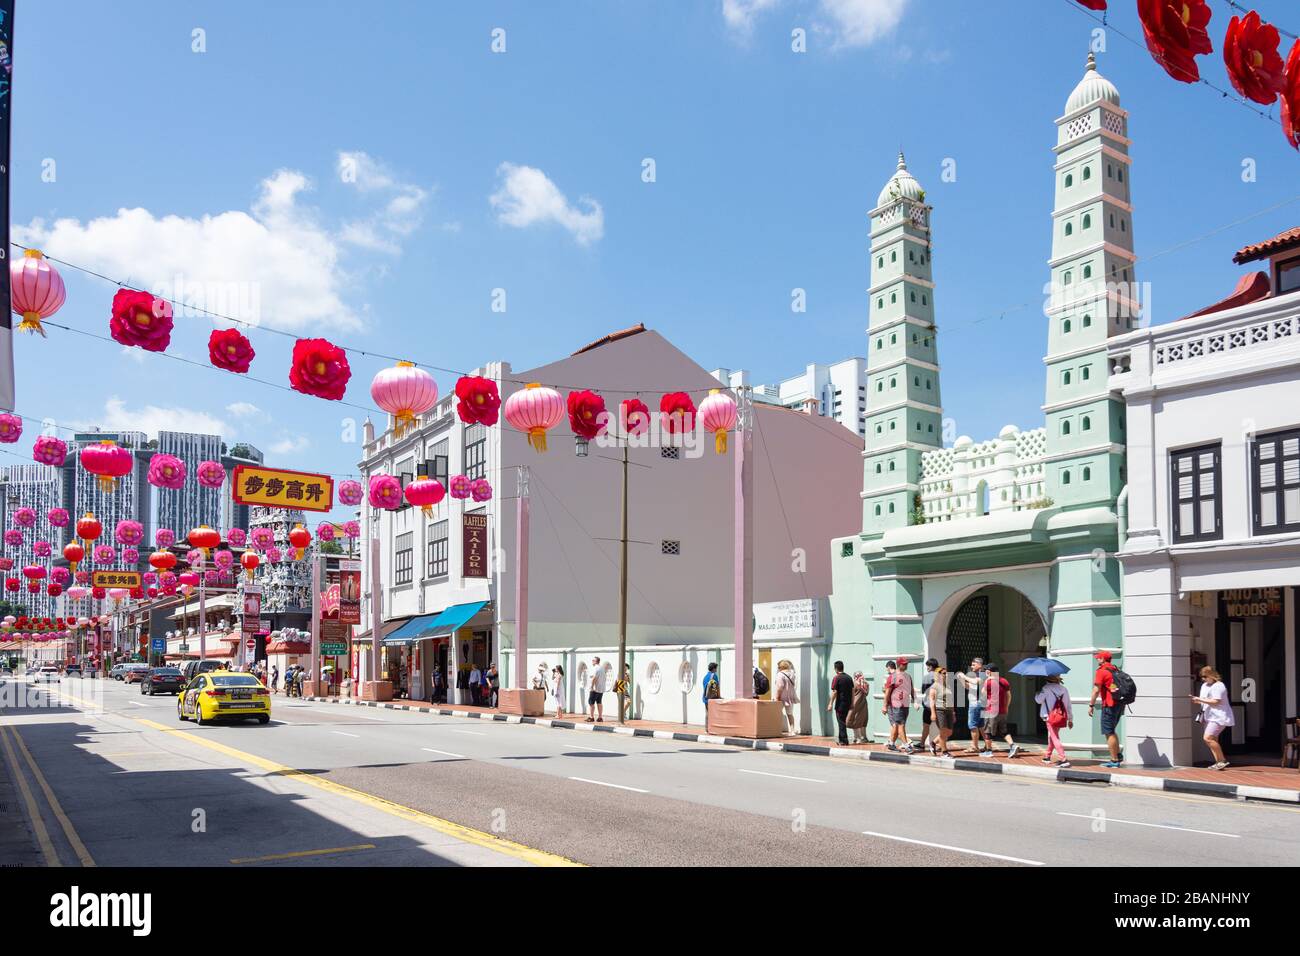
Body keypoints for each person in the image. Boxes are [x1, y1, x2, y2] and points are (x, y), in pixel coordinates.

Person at [1190, 666, 1233, 771]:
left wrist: (1200, 700)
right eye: (1202, 677)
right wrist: (1198, 700)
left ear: (1211, 675)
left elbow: (1216, 701)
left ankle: (1222, 760)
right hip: (1209, 716)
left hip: (1219, 716)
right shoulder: (1204, 686)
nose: (1203, 679)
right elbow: (1205, 699)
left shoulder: (1219, 686)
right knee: (1213, 739)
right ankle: (1218, 762)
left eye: (1205, 676)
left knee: (1207, 738)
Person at [1088, 650, 1123, 768]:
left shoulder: (1102, 671)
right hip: (1118, 704)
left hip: (1109, 705)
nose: (1097, 659)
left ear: (1103, 659)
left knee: (1109, 732)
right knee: (1112, 730)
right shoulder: (1115, 669)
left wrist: (1091, 705)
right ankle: (1117, 755)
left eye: (1098, 658)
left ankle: (1114, 760)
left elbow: (1096, 690)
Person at [981, 665, 1019, 758]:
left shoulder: (988, 682)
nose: (985, 672)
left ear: (990, 671)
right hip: (1002, 710)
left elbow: (983, 695)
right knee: (1003, 730)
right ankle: (1013, 745)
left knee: (987, 731)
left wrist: (985, 682)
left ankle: (989, 751)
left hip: (990, 710)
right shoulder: (1004, 681)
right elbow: (1009, 696)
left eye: (986, 670)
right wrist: (1006, 707)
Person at [1035, 673, 1073, 767]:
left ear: (1047, 680)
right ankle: (1047, 756)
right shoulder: (1064, 689)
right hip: (1060, 717)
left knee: (1054, 737)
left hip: (1049, 717)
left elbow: (1038, 700)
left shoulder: (1046, 688)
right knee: (1052, 736)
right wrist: (1070, 719)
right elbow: (1068, 705)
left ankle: (1063, 758)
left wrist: (1037, 694)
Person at [883, 657, 914, 753]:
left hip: (905, 704)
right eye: (904, 664)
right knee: (901, 725)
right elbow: (887, 692)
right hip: (896, 704)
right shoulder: (893, 677)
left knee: (896, 725)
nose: (906, 665)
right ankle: (906, 745)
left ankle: (891, 744)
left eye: (906, 663)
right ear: (899, 664)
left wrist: (915, 699)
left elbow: (911, 689)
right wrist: (884, 705)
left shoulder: (908, 676)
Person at [960, 657, 989, 755]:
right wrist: (962, 679)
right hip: (977, 703)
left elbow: (977, 682)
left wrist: (964, 676)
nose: (971, 666)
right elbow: (968, 686)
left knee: (973, 725)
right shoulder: (975, 675)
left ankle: (974, 747)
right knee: (981, 726)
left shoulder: (983, 674)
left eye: (973, 664)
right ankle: (987, 745)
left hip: (976, 704)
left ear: (979, 665)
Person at [928, 665, 956, 755]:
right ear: (938, 675)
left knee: (949, 732)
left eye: (946, 673)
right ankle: (944, 752)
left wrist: (953, 712)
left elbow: (951, 699)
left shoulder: (947, 685)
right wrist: (933, 713)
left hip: (949, 711)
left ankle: (933, 743)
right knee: (943, 732)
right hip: (940, 710)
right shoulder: (935, 686)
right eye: (944, 673)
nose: (946, 675)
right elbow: (931, 700)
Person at [827, 661, 854, 745]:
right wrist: (852, 703)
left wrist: (830, 703)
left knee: (841, 722)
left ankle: (844, 741)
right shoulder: (849, 678)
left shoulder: (836, 678)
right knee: (842, 721)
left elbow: (835, 692)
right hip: (848, 703)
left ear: (835, 669)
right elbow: (853, 691)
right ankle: (841, 739)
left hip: (840, 704)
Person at [774, 659, 799, 736]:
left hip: (781, 697)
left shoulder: (780, 674)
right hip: (790, 697)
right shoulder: (792, 674)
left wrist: (777, 697)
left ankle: (777, 730)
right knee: (790, 714)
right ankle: (792, 731)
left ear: (781, 667)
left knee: (777, 713)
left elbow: (780, 687)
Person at [919, 658, 939, 754]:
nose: (926, 668)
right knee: (943, 727)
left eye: (927, 666)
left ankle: (922, 743)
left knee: (926, 725)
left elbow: (922, 690)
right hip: (939, 704)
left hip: (928, 704)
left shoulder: (927, 677)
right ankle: (940, 743)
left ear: (930, 666)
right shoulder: (941, 675)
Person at [846, 670, 871, 744]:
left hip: (854, 704)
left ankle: (857, 738)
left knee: (853, 720)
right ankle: (864, 737)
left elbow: (851, 695)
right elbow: (866, 694)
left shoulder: (854, 683)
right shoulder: (865, 684)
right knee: (862, 721)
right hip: (863, 704)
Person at [586, 656, 606, 722]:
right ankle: (600, 717)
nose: (592, 661)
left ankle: (591, 717)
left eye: (593, 660)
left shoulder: (596, 668)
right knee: (599, 702)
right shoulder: (602, 668)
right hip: (601, 689)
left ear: (595, 661)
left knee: (591, 703)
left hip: (595, 689)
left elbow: (594, 677)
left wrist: (591, 686)